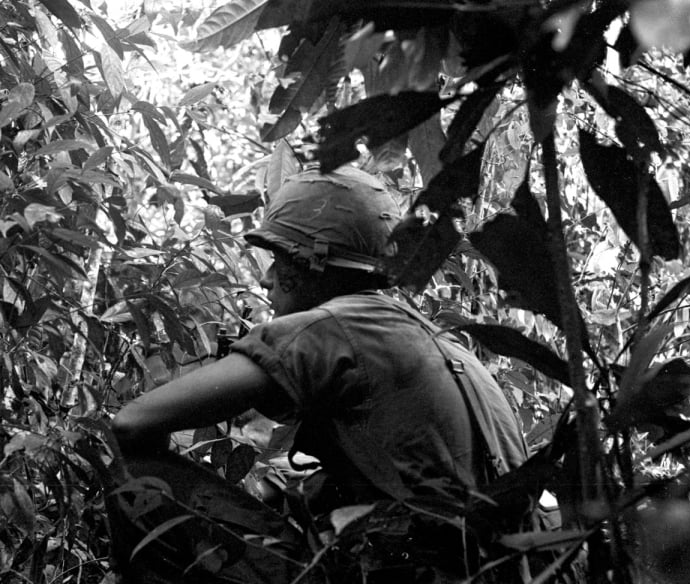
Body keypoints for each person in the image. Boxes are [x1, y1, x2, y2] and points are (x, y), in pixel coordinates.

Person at [107, 167, 528, 584]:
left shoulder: (335, 326)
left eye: (278, 258)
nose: (266, 279)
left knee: (136, 470)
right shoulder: (440, 341)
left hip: (409, 570)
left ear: (313, 263)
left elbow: (130, 423)